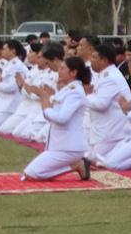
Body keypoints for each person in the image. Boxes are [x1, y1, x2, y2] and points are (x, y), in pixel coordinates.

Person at [20, 52, 93, 181]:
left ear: (73, 72)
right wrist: (46, 99)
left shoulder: (75, 92)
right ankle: (75, 165)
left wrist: (45, 104)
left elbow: (62, 118)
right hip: (60, 145)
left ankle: (76, 165)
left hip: (70, 147)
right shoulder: (68, 89)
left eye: (63, 68)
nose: (59, 71)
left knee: (31, 174)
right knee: (30, 174)